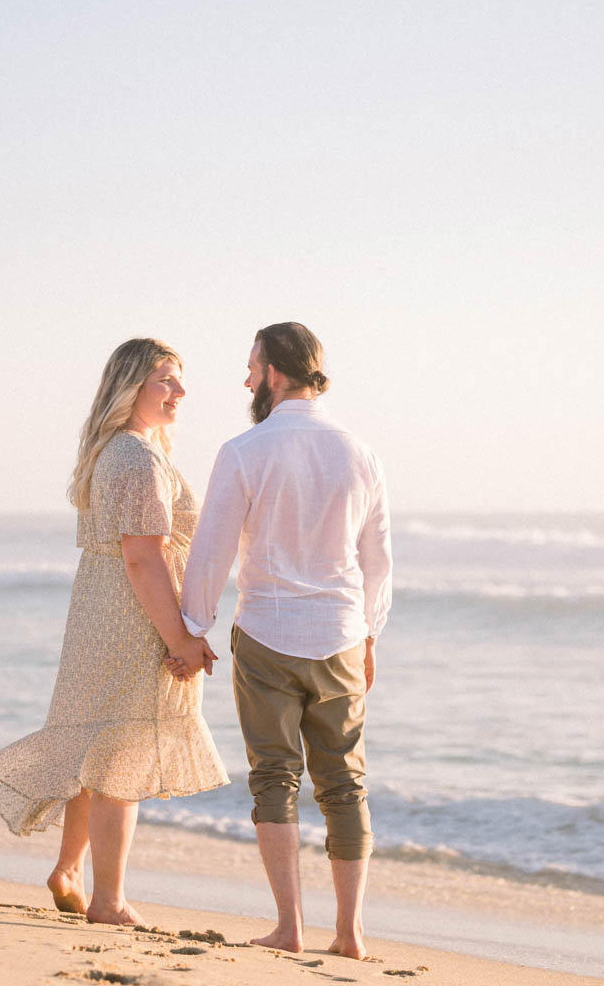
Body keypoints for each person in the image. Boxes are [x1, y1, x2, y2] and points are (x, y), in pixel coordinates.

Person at [0, 337, 228, 925]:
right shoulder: (137, 457)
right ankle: (109, 900)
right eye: (166, 380)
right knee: (123, 759)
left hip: (101, 614)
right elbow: (143, 558)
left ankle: (69, 870)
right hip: (133, 621)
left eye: (179, 380)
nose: (180, 392)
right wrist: (180, 638)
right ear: (131, 386)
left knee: (99, 749)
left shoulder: (116, 449)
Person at [174, 321, 393, 960]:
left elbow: (211, 551)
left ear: (274, 372)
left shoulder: (245, 450)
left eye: (251, 366)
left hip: (267, 632)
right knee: (345, 783)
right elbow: (377, 558)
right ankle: (350, 934)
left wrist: (192, 629)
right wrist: (371, 633)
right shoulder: (360, 451)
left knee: (275, 778)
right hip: (342, 635)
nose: (245, 379)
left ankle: (289, 927)